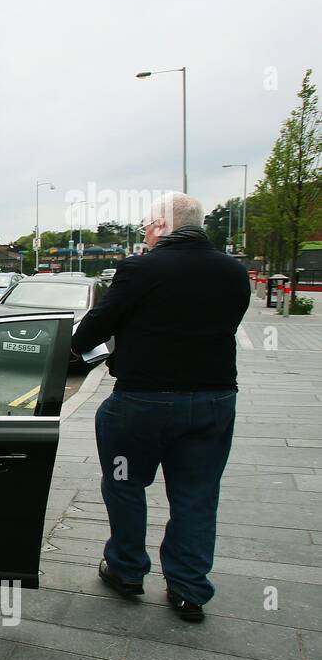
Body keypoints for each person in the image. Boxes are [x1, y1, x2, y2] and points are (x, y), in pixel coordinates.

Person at [73, 193, 250, 622]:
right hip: (213, 401)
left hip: (142, 402)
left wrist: (89, 341)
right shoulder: (234, 271)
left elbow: (92, 331)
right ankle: (189, 589)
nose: (146, 234)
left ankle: (127, 569)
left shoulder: (140, 269)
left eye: (147, 226)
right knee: (197, 494)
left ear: (162, 225)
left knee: (125, 482)